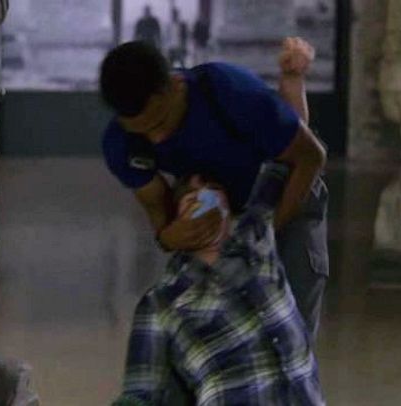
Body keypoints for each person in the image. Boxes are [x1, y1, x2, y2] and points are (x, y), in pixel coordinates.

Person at [99, 38, 327, 342]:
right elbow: (159, 217)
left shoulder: (229, 91)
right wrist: (174, 235)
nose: (156, 138)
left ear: (175, 86)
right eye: (143, 131)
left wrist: (264, 231)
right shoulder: (121, 144)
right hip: (222, 213)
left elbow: (309, 157)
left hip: (288, 194)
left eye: (161, 122)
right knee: (218, 331)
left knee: (292, 328)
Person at [113, 162, 325, 405]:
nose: (204, 200)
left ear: (228, 209)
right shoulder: (161, 302)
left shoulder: (257, 240)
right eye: (190, 198)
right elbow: (141, 392)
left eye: (213, 191)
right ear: (176, 222)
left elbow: (285, 162)